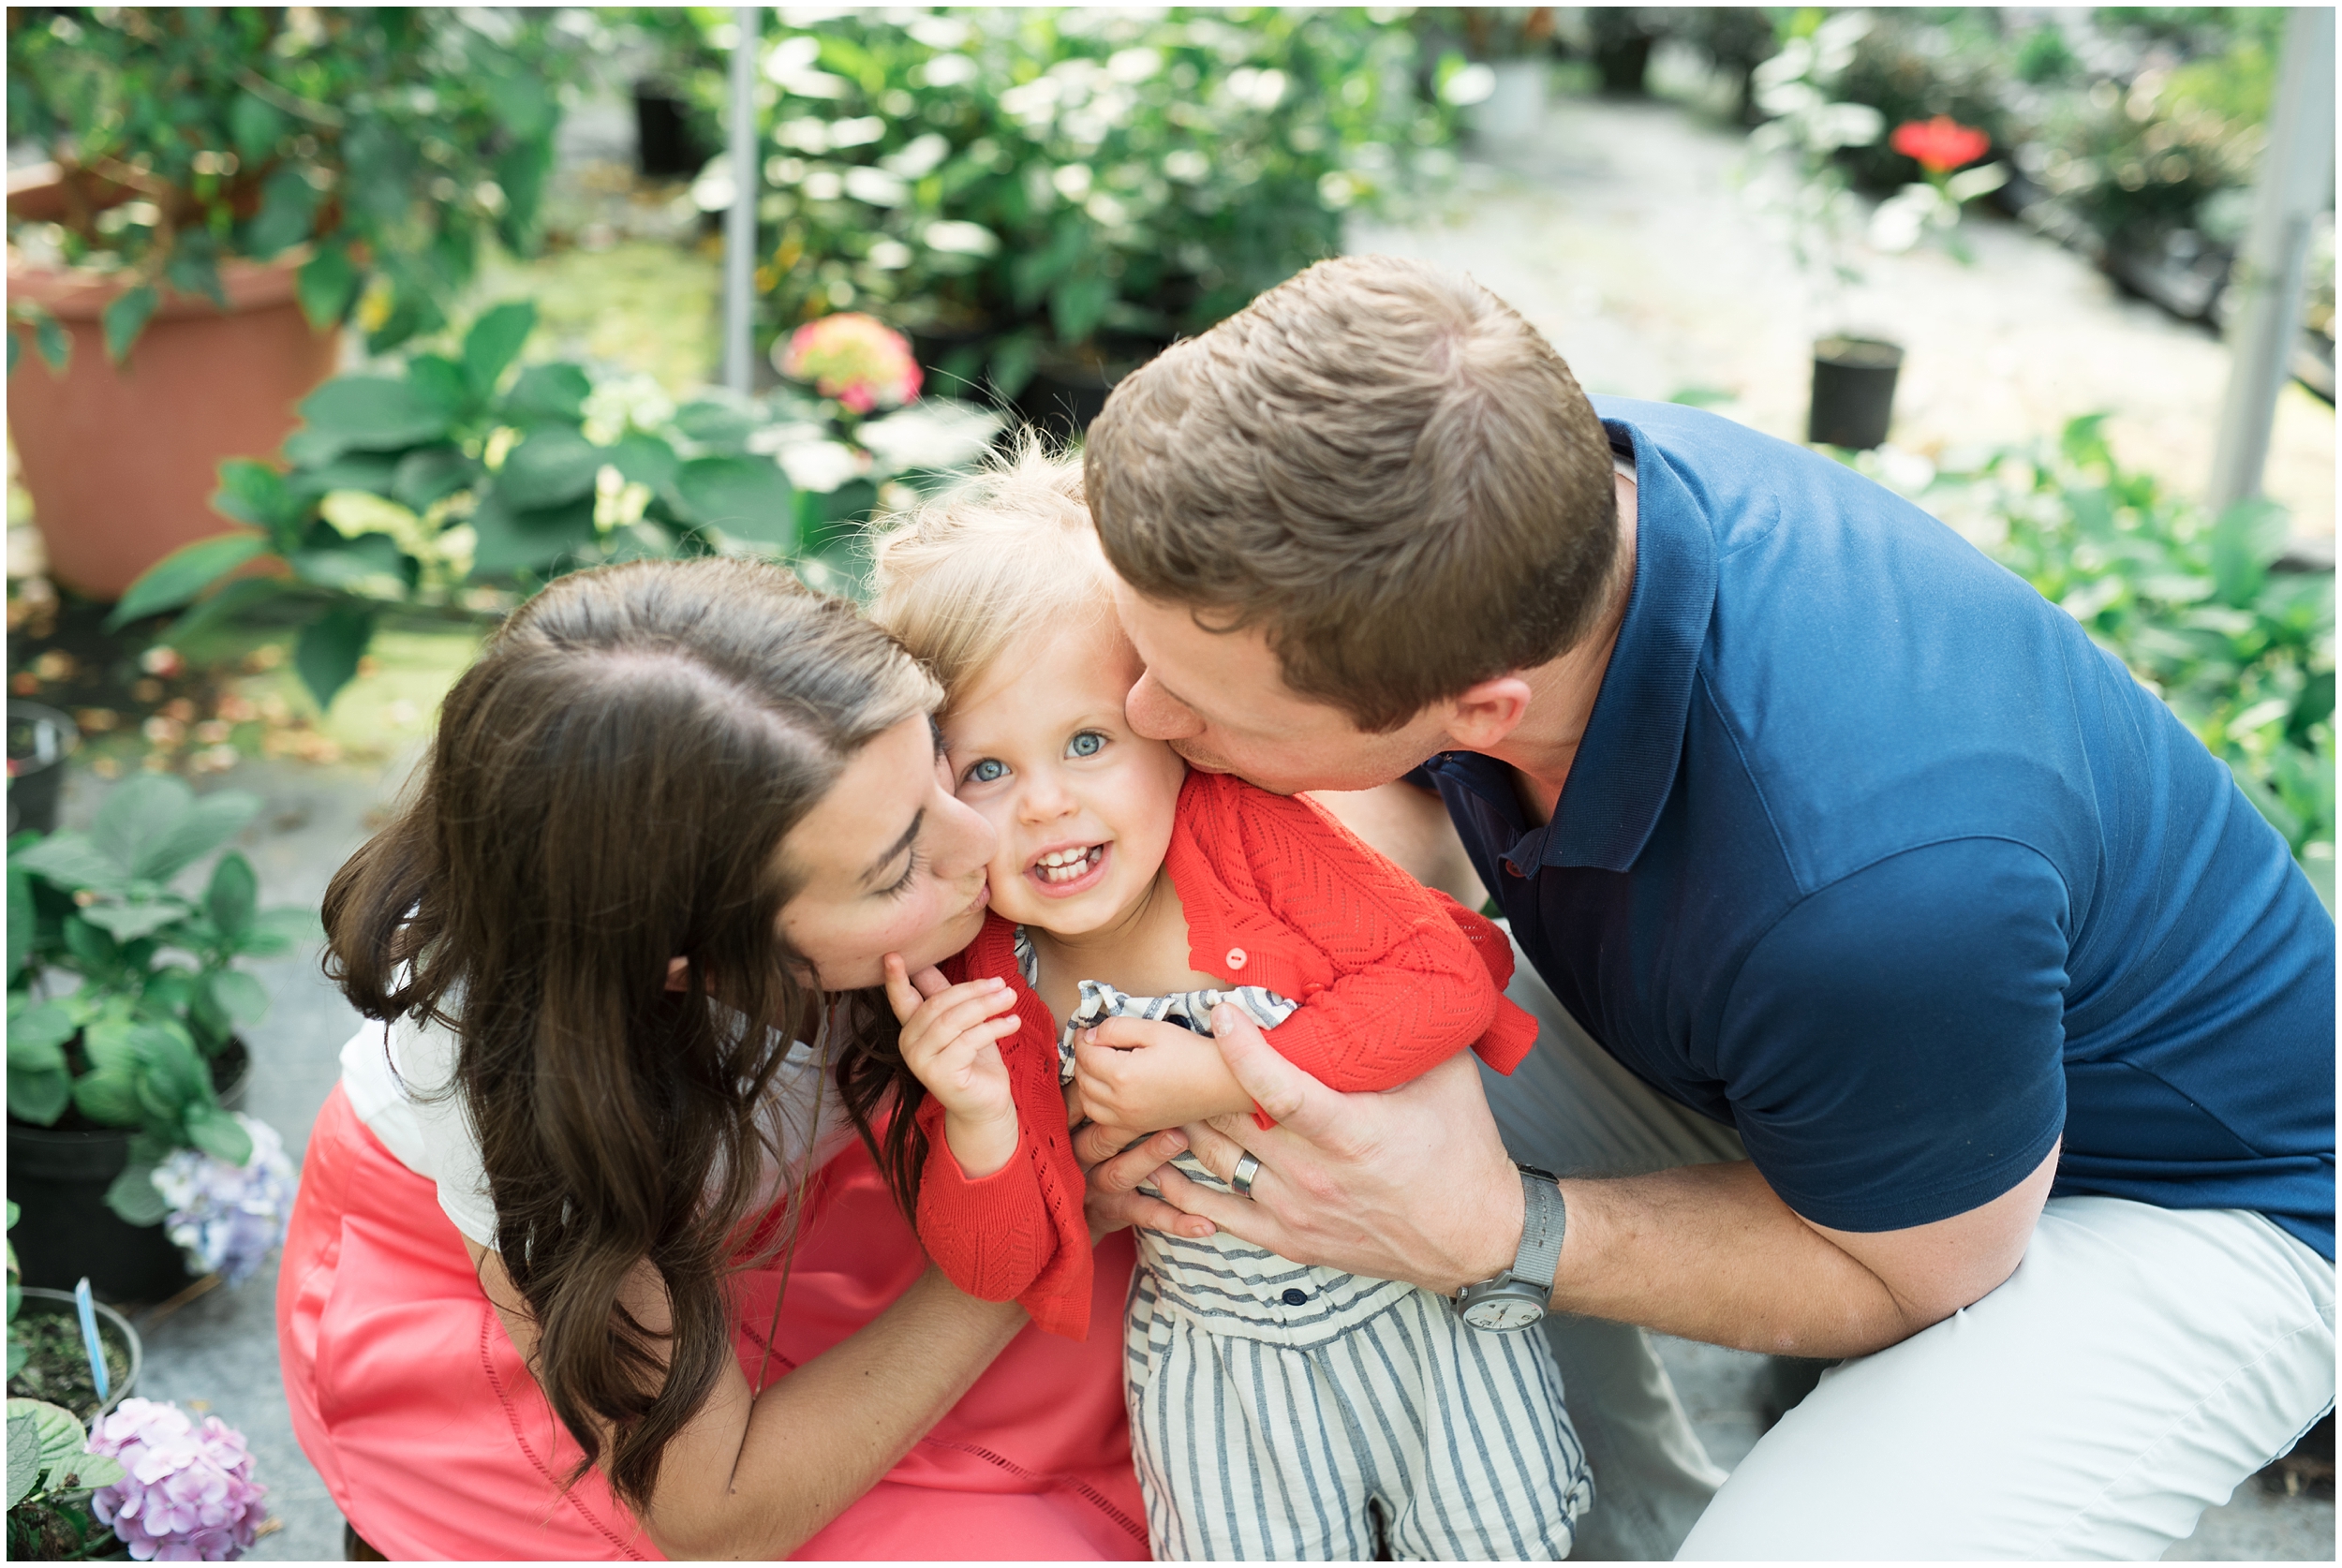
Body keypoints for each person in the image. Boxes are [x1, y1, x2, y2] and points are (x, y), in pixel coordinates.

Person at [1074, 254, 2337, 1559]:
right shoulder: (1496, 509)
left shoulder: (1865, 891)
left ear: (1485, 708)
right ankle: (1618, 1523)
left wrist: (1496, 1225)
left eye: (1203, 706)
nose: (1145, 717)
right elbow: (1387, 818)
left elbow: (1916, 1272)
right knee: (1276, 1100)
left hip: (2189, 1199)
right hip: (1843, 1059)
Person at [277, 558, 1157, 1561]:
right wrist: (1034, 1241)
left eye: (943, 763)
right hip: (557, 1304)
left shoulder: (802, 741)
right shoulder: (514, 1090)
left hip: (787, 1216)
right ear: (687, 960)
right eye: (896, 864)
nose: (979, 842)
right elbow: (714, 1512)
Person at [851, 449, 1590, 1561]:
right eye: (984, 774)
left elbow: (1447, 974)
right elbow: (1000, 1268)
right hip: (1221, 1355)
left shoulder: (1243, 838)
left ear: (1169, 736)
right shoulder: (984, 984)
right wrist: (980, 1124)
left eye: (1087, 743)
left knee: (1491, 1538)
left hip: (1409, 1301)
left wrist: (1222, 1073)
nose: (1048, 804)